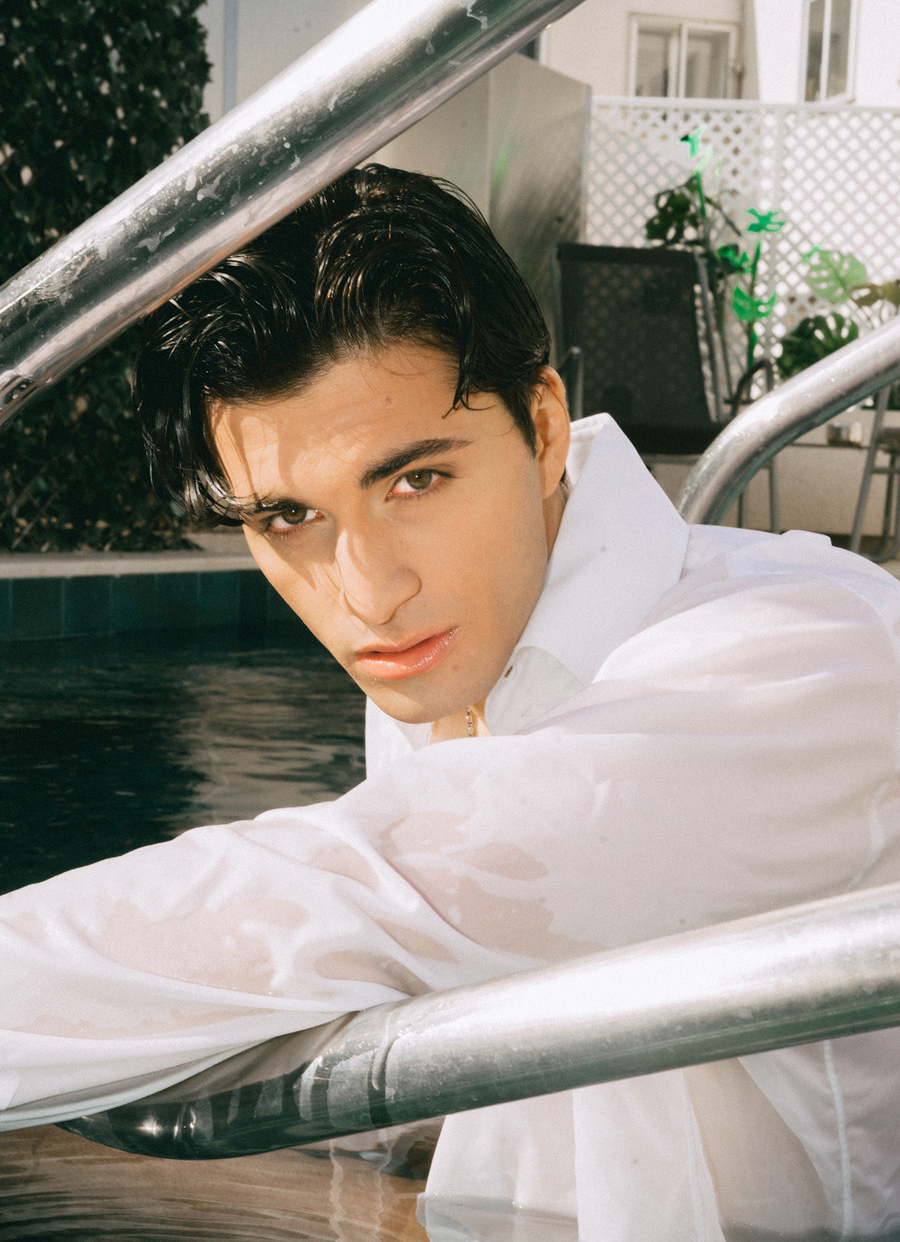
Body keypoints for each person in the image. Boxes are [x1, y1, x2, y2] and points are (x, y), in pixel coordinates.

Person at [2, 163, 900, 1241]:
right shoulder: (457, 659)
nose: (368, 593)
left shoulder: (799, 655)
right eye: (288, 518)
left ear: (545, 427)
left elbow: (352, 894)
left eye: (415, 481)